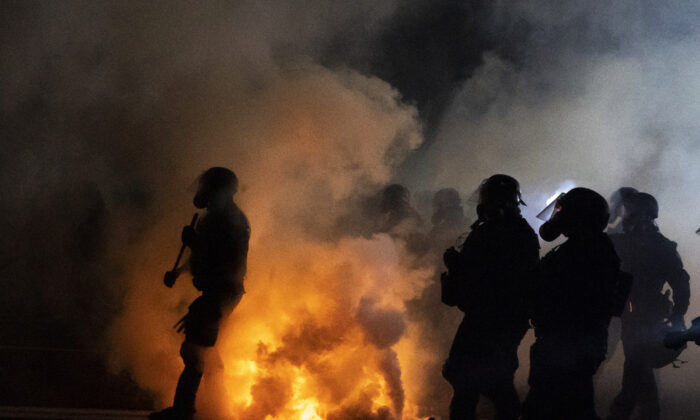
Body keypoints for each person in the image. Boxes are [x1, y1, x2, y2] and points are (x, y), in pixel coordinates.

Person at [150, 167, 250, 420]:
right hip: (220, 292)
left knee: (194, 350)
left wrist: (194, 242)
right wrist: (179, 272)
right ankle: (216, 406)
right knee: (205, 350)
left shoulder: (228, 220)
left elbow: (218, 258)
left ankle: (184, 411)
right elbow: (200, 256)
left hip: (220, 292)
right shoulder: (216, 217)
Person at [523, 187, 629, 420]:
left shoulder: (586, 251)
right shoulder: (587, 247)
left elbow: (565, 297)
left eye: (563, 212)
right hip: (569, 344)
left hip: (569, 344)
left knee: (552, 407)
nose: (558, 218)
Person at [441, 174, 540, 420]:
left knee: (486, 379)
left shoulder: (502, 233)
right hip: (495, 318)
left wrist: (456, 264)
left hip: (493, 319)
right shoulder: (517, 231)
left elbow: (490, 276)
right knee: (469, 379)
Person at [607, 192, 689, 420]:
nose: (625, 217)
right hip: (627, 314)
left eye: (628, 212)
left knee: (635, 370)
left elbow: (680, 283)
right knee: (640, 372)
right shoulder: (630, 241)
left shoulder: (658, 246)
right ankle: (649, 413)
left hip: (644, 317)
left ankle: (620, 413)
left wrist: (679, 315)